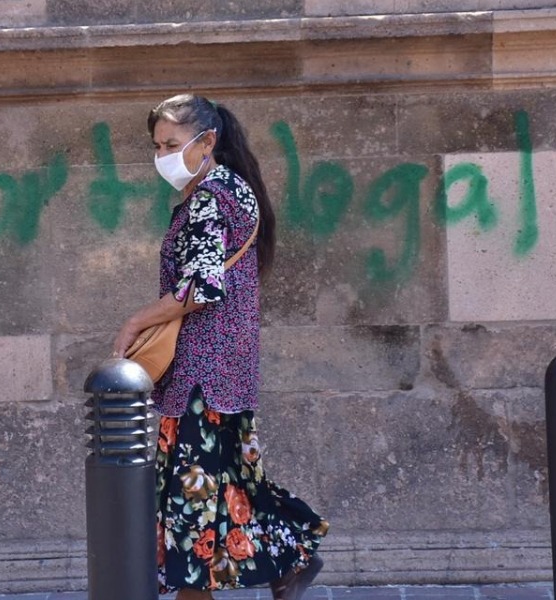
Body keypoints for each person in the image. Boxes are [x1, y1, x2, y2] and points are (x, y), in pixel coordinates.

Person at [112, 94, 329, 600]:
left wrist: (134, 322)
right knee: (223, 486)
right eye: (156, 145)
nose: (161, 154)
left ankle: (288, 557)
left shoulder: (212, 195)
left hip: (200, 377)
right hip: (222, 371)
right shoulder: (228, 189)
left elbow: (202, 285)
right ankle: (288, 559)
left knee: (191, 505)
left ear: (207, 140)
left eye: (171, 144)